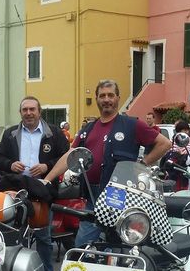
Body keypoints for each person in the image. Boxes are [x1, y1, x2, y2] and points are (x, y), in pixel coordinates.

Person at [42, 79, 171, 247]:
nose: (106, 99)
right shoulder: (88, 129)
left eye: (111, 95)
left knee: (118, 248)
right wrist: (47, 179)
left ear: (118, 98)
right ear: (96, 99)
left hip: (121, 197)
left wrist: (141, 165)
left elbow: (165, 144)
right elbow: (70, 155)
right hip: (92, 196)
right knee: (82, 248)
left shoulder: (132, 125)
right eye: (102, 95)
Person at [0, 96, 70, 271]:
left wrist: (47, 166)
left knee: (43, 238)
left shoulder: (53, 133)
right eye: (25, 110)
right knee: (13, 236)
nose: (28, 113)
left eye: (32, 109)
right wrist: (10, 164)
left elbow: (67, 156)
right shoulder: (11, 133)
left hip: (42, 191)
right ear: (20, 113)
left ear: (39, 112)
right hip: (15, 192)